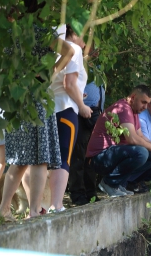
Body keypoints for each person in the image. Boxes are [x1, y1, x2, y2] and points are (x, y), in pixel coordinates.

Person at [0, 0, 73, 220]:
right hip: (38, 96)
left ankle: (3, 209)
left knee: (19, 158)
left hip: (16, 98)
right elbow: (69, 51)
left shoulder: (13, 33)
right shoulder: (41, 33)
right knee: (40, 157)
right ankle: (32, 211)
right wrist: (52, 71)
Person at [85, 85, 151, 197]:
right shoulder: (123, 108)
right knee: (141, 152)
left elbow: (140, 136)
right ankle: (109, 183)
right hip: (99, 158)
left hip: (111, 155)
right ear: (133, 97)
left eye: (147, 103)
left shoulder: (135, 112)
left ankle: (120, 184)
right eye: (143, 102)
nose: (146, 106)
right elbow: (132, 139)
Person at [47, 24, 92, 213]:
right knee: (63, 158)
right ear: (75, 33)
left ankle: (40, 205)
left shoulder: (52, 48)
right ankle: (56, 204)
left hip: (47, 108)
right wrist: (82, 106)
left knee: (43, 159)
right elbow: (69, 83)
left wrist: (78, 95)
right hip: (66, 110)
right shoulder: (73, 49)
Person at [69, 81, 105, 205]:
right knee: (78, 156)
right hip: (79, 110)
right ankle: (77, 194)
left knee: (90, 156)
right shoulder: (80, 62)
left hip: (95, 112)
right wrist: (81, 106)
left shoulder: (98, 65)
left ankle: (91, 193)